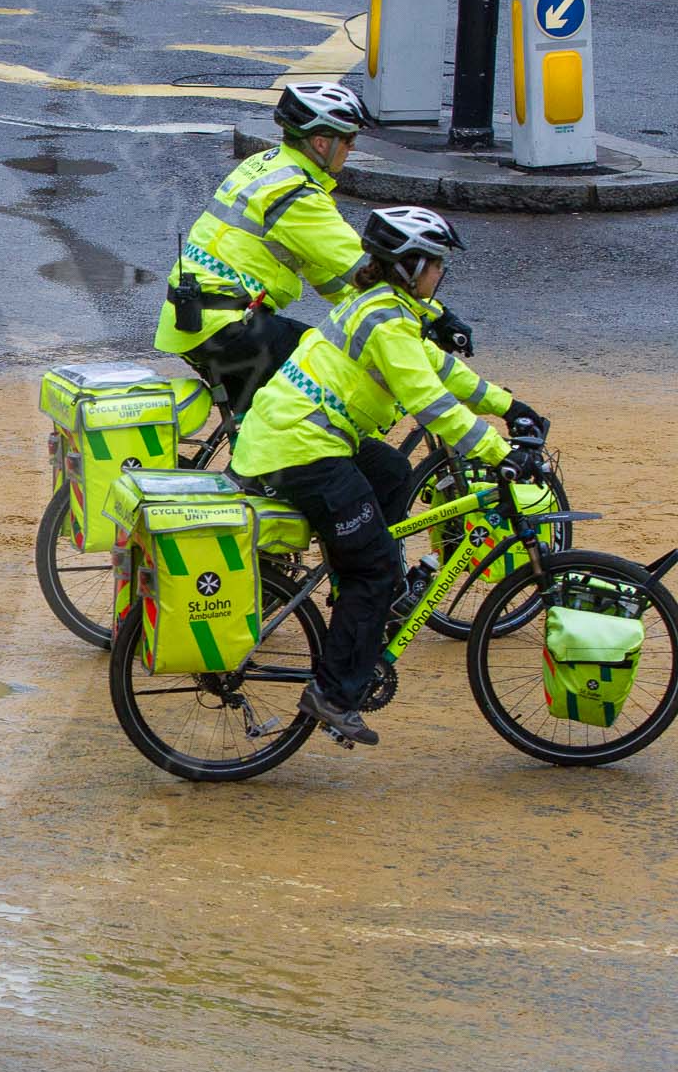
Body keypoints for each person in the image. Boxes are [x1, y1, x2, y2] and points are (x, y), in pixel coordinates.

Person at [229, 207, 545, 748]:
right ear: (412, 265)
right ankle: (334, 692)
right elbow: (430, 401)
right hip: (299, 449)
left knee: (394, 471)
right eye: (437, 264)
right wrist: (498, 452)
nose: (440, 274)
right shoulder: (388, 318)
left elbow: (440, 370)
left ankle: (354, 572)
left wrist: (510, 405)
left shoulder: (386, 308)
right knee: (372, 571)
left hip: (292, 438)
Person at [155, 82, 475, 416]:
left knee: (268, 418)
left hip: (201, 316)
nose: (351, 147)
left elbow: (328, 274)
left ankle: (256, 465)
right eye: (349, 139)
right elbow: (370, 270)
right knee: (333, 370)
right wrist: (438, 316)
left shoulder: (267, 165)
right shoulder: (297, 194)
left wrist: (368, 313)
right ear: (322, 143)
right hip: (226, 325)